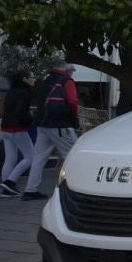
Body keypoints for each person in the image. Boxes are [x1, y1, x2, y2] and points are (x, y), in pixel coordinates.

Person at [23, 62, 81, 199]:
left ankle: (30, 190)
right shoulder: (67, 81)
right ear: (66, 70)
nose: (73, 72)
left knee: (39, 158)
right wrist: (73, 118)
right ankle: (77, 189)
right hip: (60, 124)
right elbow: (73, 102)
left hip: (42, 124)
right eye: (72, 69)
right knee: (74, 155)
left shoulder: (47, 80)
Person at [0, 70, 37, 196]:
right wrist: (30, 120)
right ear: (24, 79)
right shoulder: (25, 92)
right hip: (18, 128)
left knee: (10, 158)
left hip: (6, 128)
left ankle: (6, 189)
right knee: (31, 156)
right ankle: (10, 182)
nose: (34, 79)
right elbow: (20, 111)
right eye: (32, 77)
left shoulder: (11, 91)